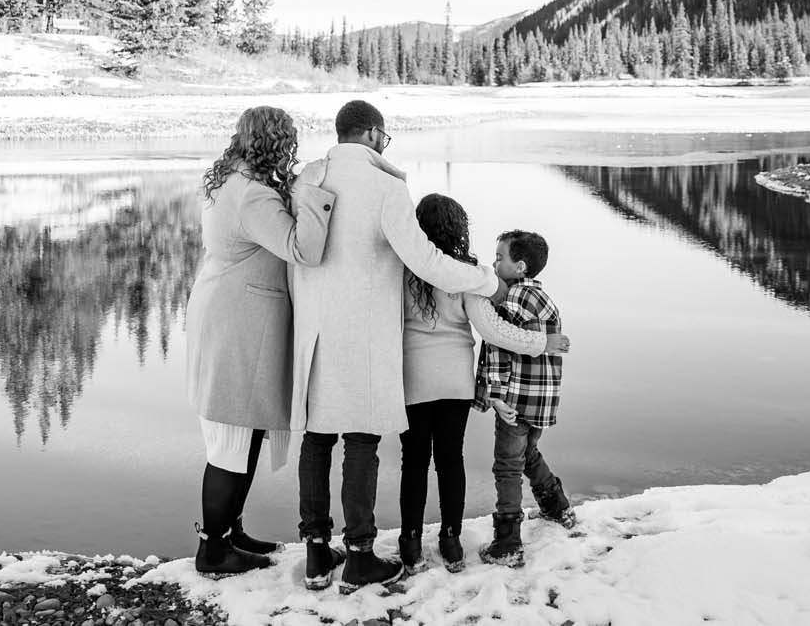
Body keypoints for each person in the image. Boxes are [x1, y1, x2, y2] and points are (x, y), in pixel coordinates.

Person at [289, 100, 503, 593]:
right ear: (371, 133)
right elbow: (425, 261)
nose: (384, 146)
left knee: (317, 439)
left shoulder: (308, 178)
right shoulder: (385, 187)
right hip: (363, 334)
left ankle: (317, 554)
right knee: (361, 440)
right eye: (384, 138)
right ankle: (360, 555)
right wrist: (487, 281)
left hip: (314, 329)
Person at [182, 105, 388, 578]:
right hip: (238, 323)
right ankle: (212, 550)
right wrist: (315, 196)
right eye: (289, 140)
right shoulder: (253, 196)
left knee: (245, 433)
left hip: (230, 312)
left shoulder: (233, 180)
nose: (293, 147)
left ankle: (230, 533)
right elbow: (302, 249)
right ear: (276, 141)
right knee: (231, 442)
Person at [399, 194, 571, 574]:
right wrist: (542, 342)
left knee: (414, 462)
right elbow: (494, 331)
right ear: (457, 229)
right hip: (455, 382)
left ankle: (410, 544)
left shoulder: (402, 270)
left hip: (412, 380)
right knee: (450, 461)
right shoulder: (467, 275)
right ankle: (451, 541)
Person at [475, 228, 573, 568]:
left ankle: (508, 542)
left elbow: (499, 346)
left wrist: (496, 395)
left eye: (499, 258)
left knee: (507, 465)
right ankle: (557, 506)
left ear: (519, 267)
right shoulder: (544, 299)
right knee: (527, 453)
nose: (494, 263)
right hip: (541, 401)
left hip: (515, 399)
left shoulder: (513, 300)